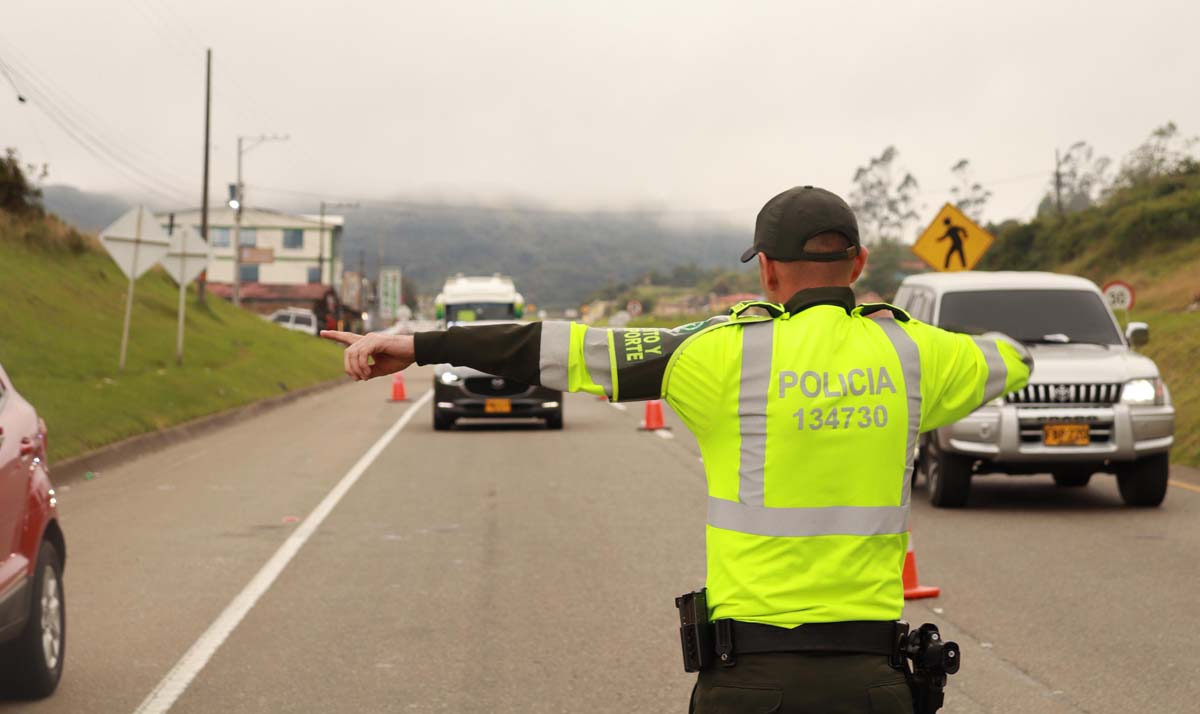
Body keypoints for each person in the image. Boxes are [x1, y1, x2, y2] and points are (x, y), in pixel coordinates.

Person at [322, 186, 1032, 713]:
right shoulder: (916, 354)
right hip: (874, 685)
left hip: (750, 684)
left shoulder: (717, 352)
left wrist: (420, 345)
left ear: (767, 272)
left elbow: (560, 348)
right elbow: (1012, 357)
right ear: (859, 263)